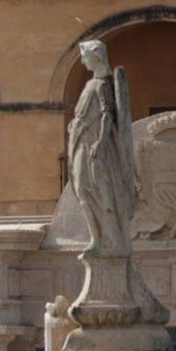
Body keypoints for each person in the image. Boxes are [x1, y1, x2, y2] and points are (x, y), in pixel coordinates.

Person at [68, 39, 135, 259]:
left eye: (85, 56)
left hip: (93, 143)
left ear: (95, 56)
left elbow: (107, 113)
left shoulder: (103, 84)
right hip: (80, 140)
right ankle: (95, 238)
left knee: (98, 189)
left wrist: (102, 142)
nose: (82, 60)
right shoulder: (90, 84)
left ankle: (110, 238)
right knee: (82, 189)